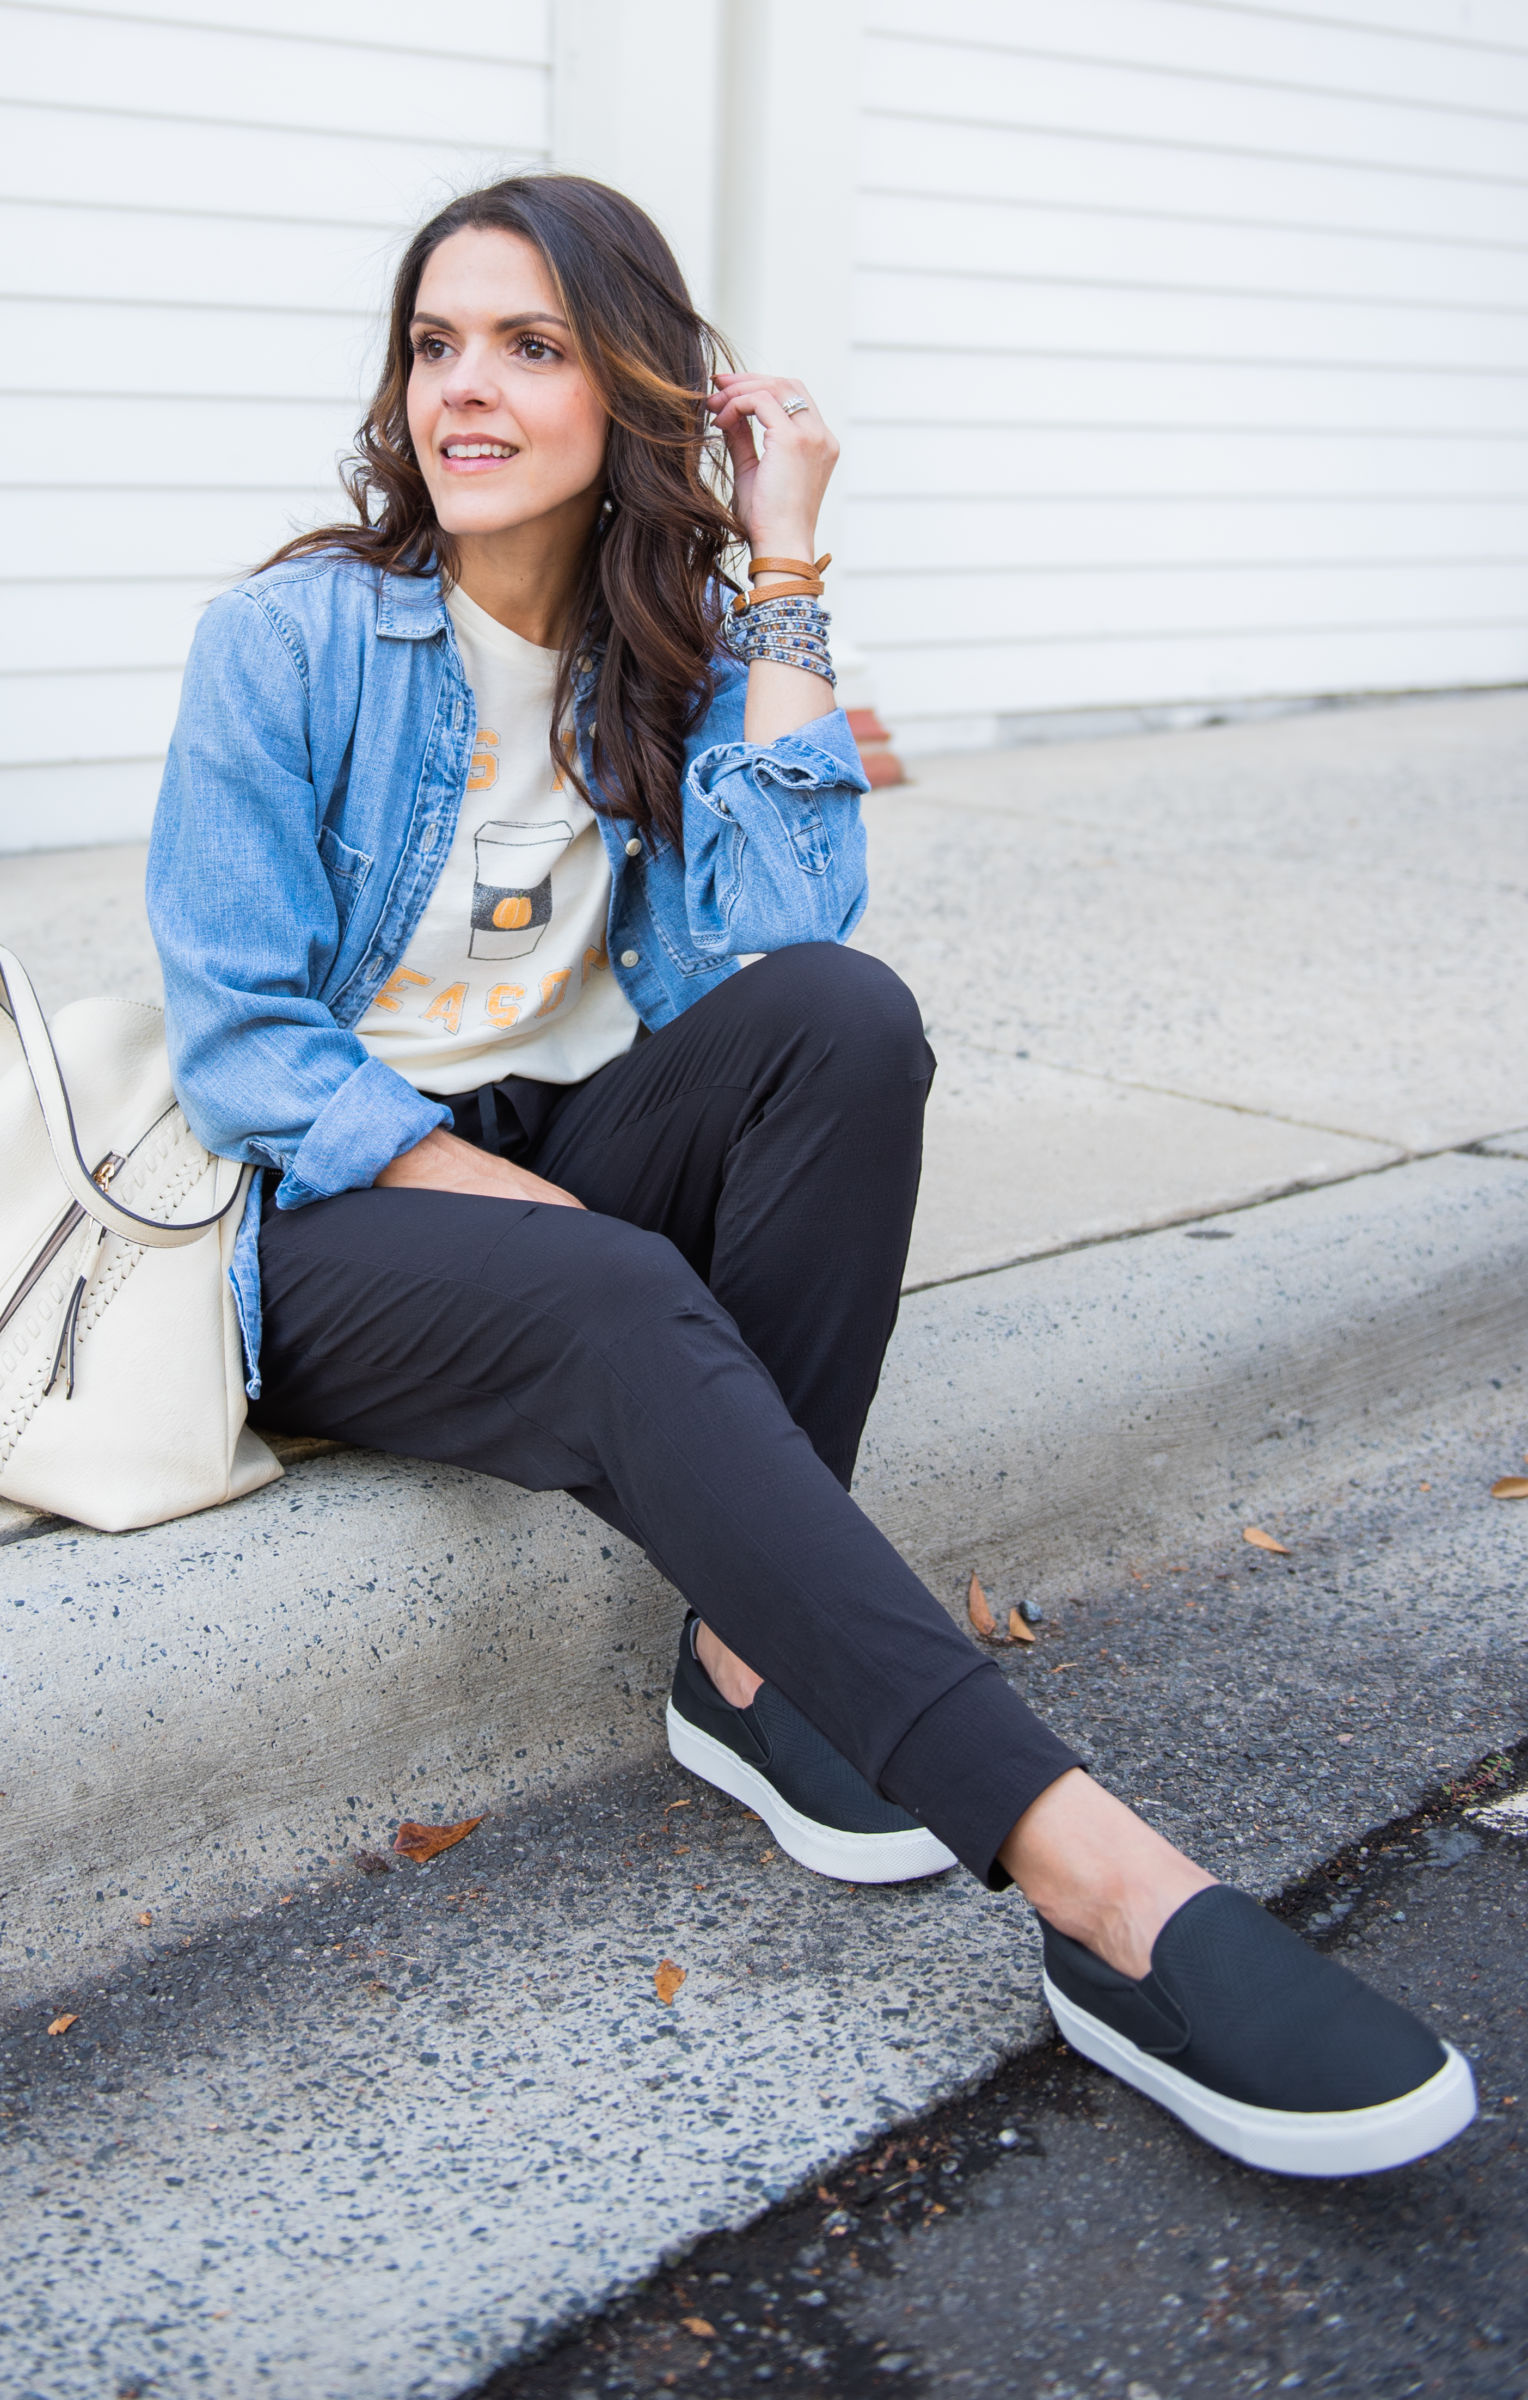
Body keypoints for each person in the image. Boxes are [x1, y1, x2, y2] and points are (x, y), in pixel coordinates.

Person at [147, 174, 1472, 2179]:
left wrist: (779, 562)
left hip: (563, 1145)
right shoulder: (289, 639)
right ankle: (1108, 1888)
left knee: (848, 1020)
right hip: (330, 1208)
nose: (464, 389)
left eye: (531, 346)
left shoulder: (658, 652)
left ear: (630, 390)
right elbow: (246, 1040)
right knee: (614, 1295)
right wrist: (521, 1215)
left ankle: (751, 1659)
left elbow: (781, 931)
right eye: (434, 345)